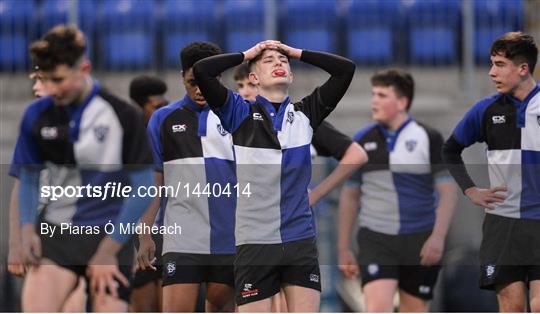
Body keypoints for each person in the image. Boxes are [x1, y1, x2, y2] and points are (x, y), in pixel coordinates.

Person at [193, 40, 356, 312]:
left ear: (291, 75)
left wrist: (297, 52)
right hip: (255, 243)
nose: (279, 63)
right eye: (268, 61)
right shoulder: (238, 113)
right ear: (253, 78)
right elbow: (202, 70)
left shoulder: (306, 114)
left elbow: (345, 70)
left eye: (284, 62)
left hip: (300, 240)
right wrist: (248, 54)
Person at [11, 25, 154, 312]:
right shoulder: (36, 116)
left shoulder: (122, 115)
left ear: (84, 68)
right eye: (46, 80)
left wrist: (108, 250)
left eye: (59, 80)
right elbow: (28, 178)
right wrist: (26, 231)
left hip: (109, 234)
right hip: (57, 235)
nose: (50, 89)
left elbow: (144, 188)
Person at [233, 61, 368, 312]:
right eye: (238, 87)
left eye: (247, 85)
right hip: (250, 233)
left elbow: (356, 155)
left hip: (294, 232)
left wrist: (315, 194)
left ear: (258, 82)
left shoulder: (299, 120)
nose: (244, 91)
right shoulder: (237, 123)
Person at [338, 69, 457, 312]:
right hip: (376, 239)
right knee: (378, 307)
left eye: (382, 95)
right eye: (373, 94)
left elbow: (448, 192)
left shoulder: (429, 138)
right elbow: (350, 196)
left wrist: (437, 237)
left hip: (420, 240)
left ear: (402, 102)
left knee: (414, 309)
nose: (374, 101)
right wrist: (343, 248)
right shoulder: (361, 141)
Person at [442, 32, 540, 312]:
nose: (491, 72)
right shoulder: (485, 110)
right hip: (502, 224)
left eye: (499, 64)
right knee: (512, 307)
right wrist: (470, 189)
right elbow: (450, 150)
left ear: (522, 69)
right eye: (491, 63)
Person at [139, 41, 235, 312]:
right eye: (193, 81)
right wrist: (144, 234)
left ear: (220, 77)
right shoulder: (162, 119)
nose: (200, 88)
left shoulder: (240, 115)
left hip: (230, 239)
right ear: (182, 77)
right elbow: (153, 182)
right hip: (181, 240)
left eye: (209, 80)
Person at [128, 75, 168, 312]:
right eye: (157, 107)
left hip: (171, 229)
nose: (163, 110)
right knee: (144, 304)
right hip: (137, 231)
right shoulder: (129, 140)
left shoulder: (173, 133)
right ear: (142, 106)